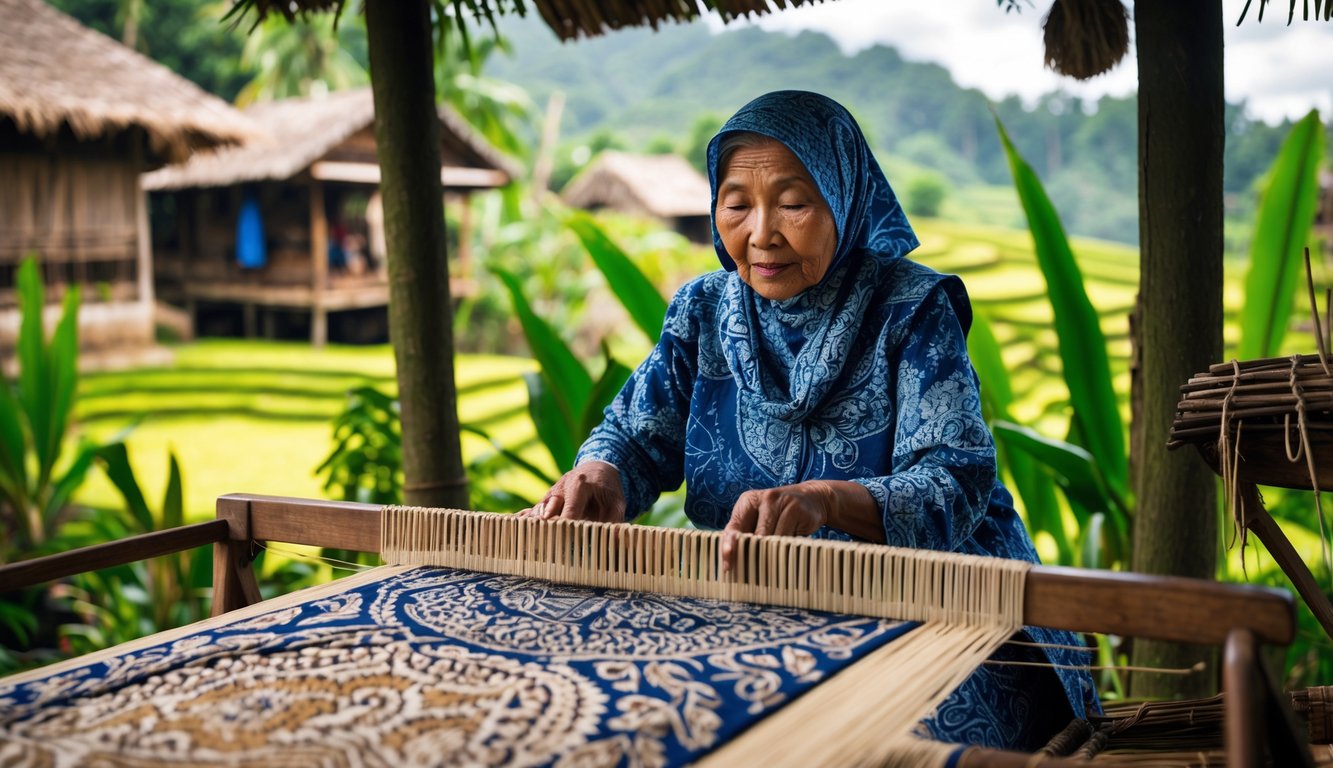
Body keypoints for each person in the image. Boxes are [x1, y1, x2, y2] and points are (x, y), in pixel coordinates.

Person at [521, 90, 1098, 750]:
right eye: (736, 204)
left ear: (844, 200)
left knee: (888, 744)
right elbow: (635, 433)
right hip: (769, 602)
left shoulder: (910, 308)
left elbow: (952, 479)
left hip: (935, 607)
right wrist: (599, 473)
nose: (760, 233)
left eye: (793, 203)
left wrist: (823, 500)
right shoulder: (702, 310)